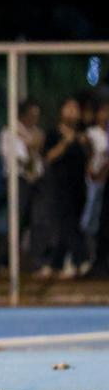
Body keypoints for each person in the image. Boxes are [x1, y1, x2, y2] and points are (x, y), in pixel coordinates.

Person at [33, 97, 89, 278]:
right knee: (66, 224)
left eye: (75, 109)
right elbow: (48, 157)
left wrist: (83, 142)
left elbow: (88, 158)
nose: (72, 112)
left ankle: (56, 263)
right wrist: (65, 142)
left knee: (72, 224)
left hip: (78, 186)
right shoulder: (53, 134)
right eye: (68, 108)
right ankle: (81, 258)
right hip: (59, 186)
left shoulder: (83, 134)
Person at [0, 99, 45, 267]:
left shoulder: (37, 133)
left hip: (36, 180)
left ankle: (33, 257)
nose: (34, 119)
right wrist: (29, 145)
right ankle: (8, 258)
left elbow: (38, 158)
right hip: (18, 180)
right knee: (17, 219)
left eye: (37, 116)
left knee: (35, 219)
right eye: (31, 115)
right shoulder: (9, 132)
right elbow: (15, 158)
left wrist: (34, 145)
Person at [81, 100, 109, 275]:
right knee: (90, 220)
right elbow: (89, 158)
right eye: (103, 111)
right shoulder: (91, 133)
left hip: (106, 181)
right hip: (95, 181)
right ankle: (92, 257)